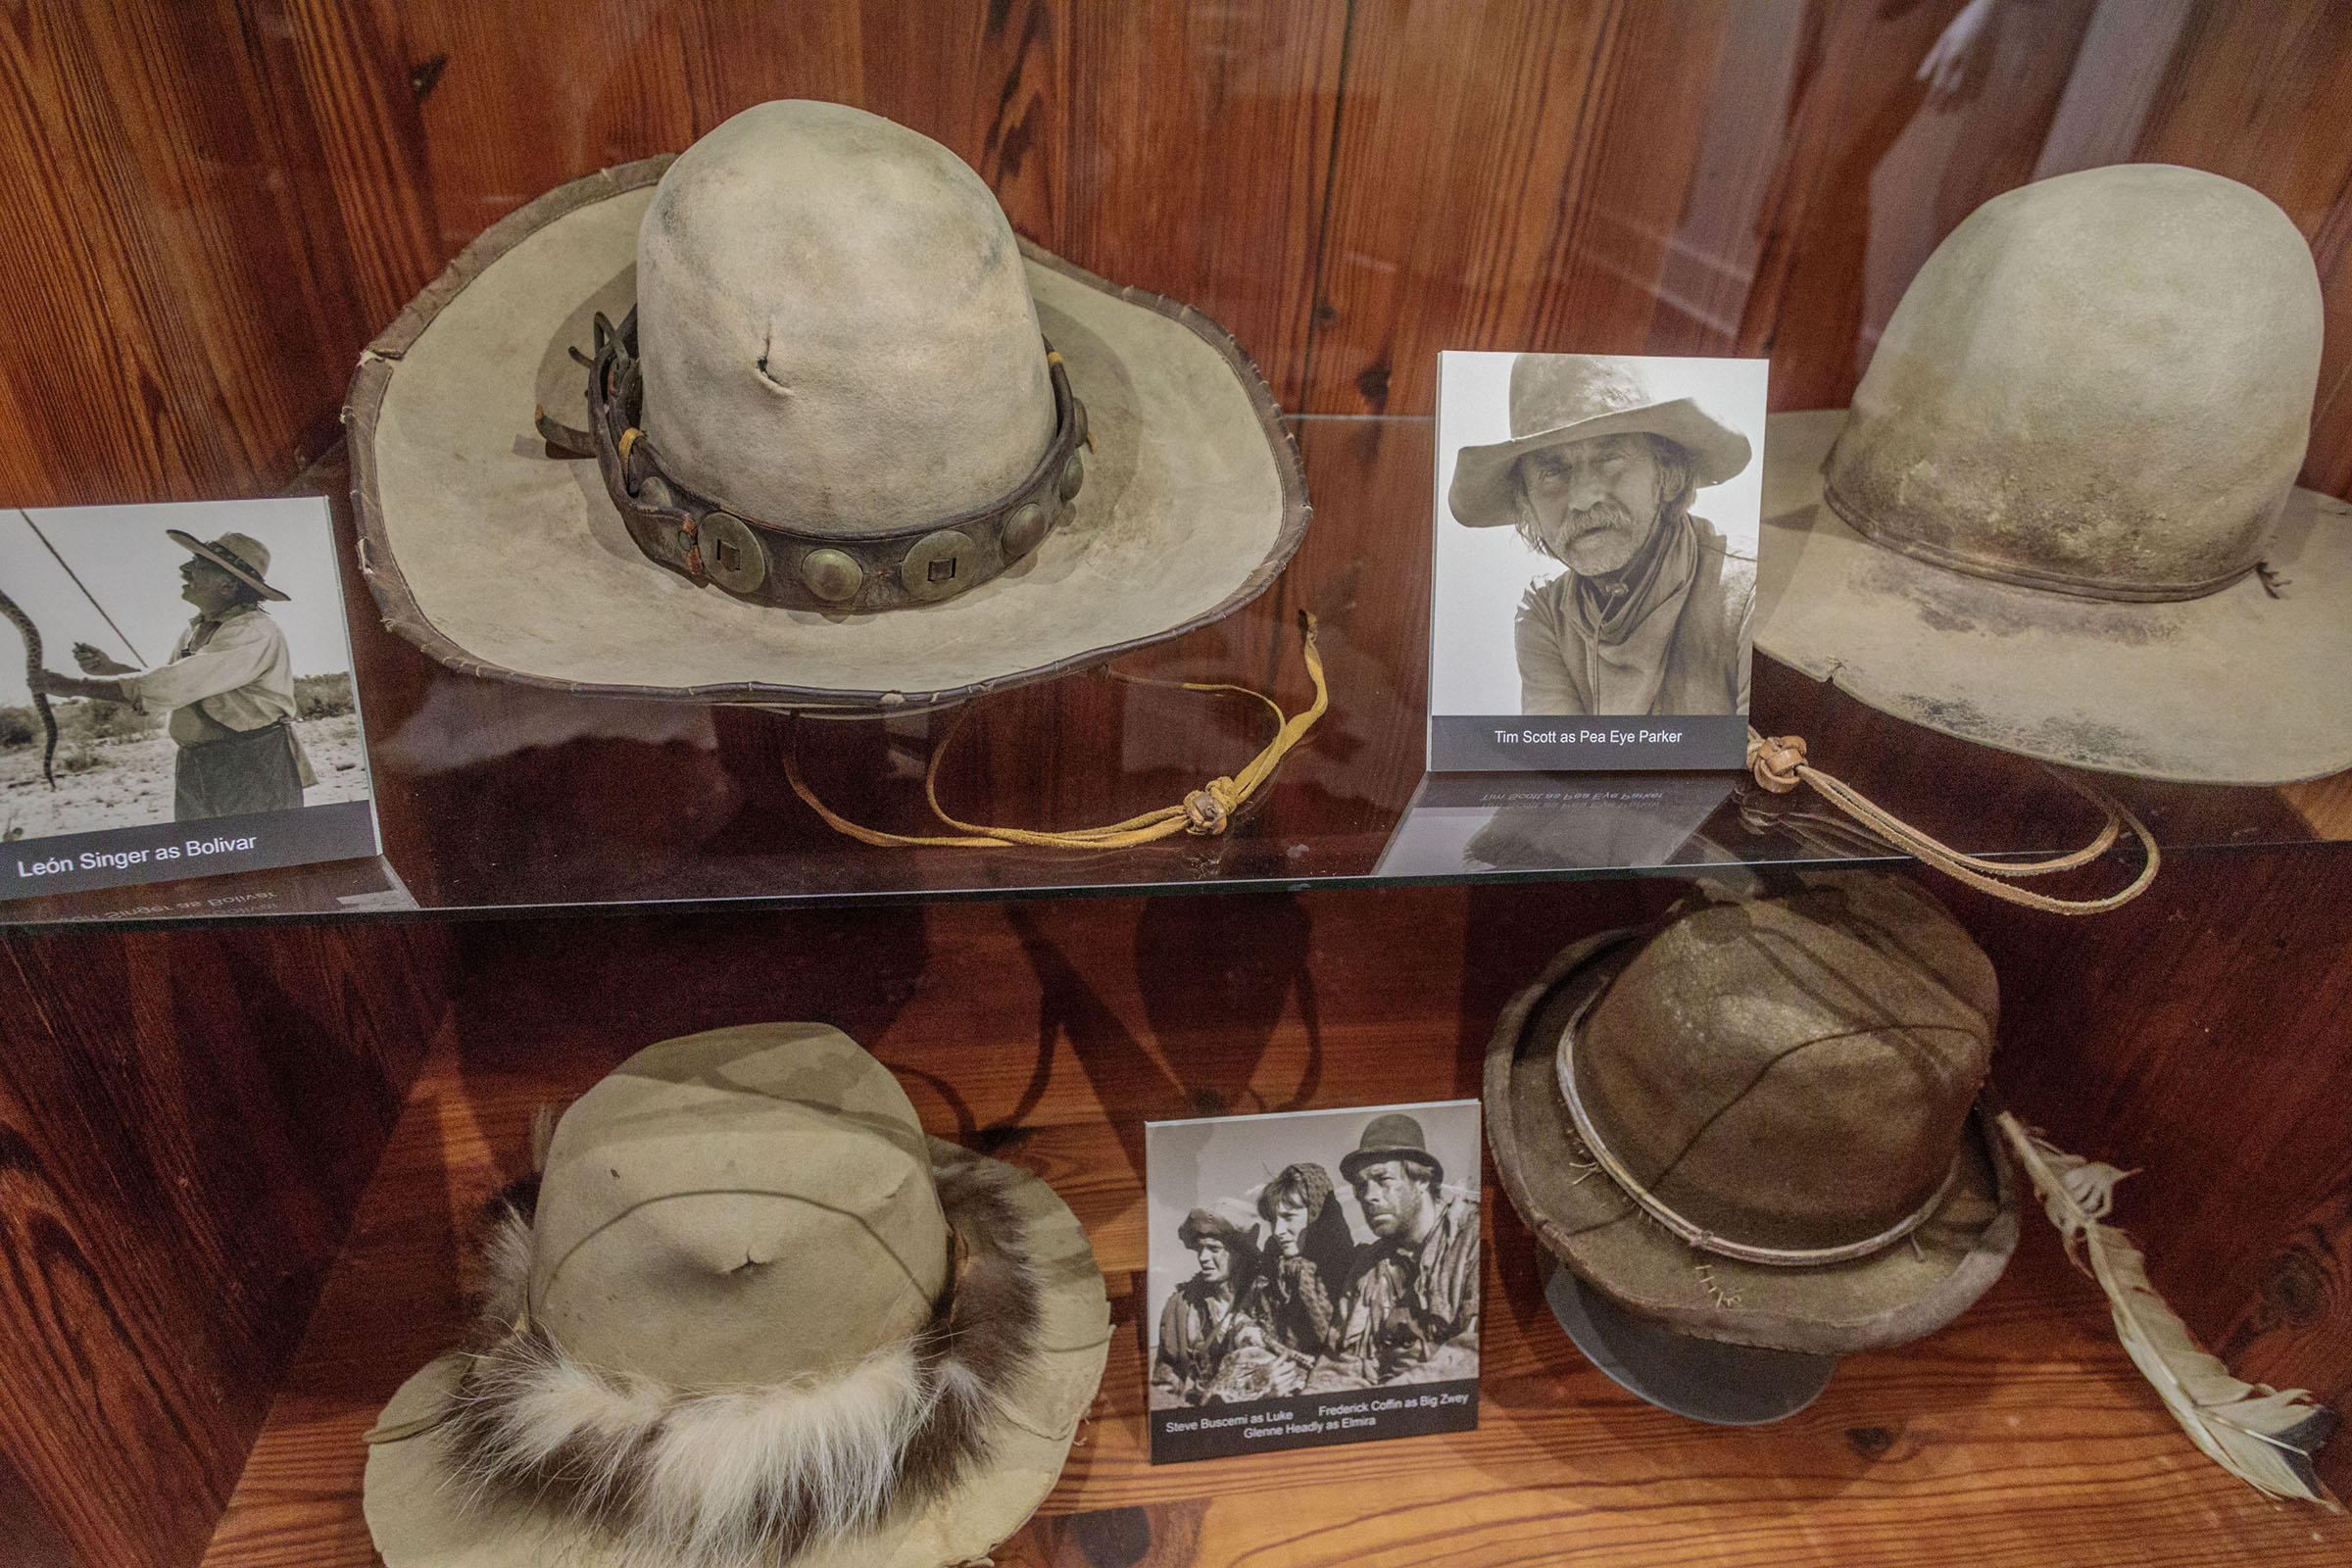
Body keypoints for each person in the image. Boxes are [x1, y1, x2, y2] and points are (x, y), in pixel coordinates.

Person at [1446, 355, 1755, 717]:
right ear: (1527, 503)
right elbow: (1560, 764)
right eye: (1552, 471)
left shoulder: (1746, 592)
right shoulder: (1547, 618)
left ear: (1668, 474)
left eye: (1610, 458)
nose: (1582, 498)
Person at [29, 529, 312, 821]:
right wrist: (110, 668)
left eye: (198, 565)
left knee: (257, 857)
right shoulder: (199, 629)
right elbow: (179, 683)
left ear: (228, 584)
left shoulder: (252, 631)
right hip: (198, 765)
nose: (184, 570)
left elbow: (174, 686)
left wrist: (74, 686)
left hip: (250, 767)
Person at [1312, 1114, 1480, 1389]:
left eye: (1383, 1179)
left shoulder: (1471, 1239)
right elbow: (1341, 1364)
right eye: (1361, 1186)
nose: (1369, 1196)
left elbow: (1475, 1352)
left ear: (1422, 1180)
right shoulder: (1367, 1267)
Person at [1240, 1162, 1356, 1361]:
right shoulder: (1268, 1279)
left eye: (1289, 1217)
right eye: (1273, 1221)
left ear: (1318, 1216)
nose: (1278, 1231)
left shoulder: (1357, 1273)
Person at [1149, 1209, 1259, 1408]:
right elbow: (1166, 1381)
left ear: (1240, 1253)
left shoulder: (1265, 1297)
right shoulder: (1182, 1306)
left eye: (1214, 1249)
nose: (1203, 1257)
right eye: (1200, 1249)